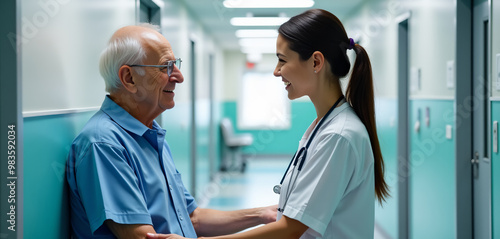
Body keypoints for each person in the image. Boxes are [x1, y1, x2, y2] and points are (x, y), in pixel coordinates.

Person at [147, 8, 390, 239]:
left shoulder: (338, 135)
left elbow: (289, 230)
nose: (276, 71)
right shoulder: (324, 126)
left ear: (316, 62)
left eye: (282, 60)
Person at [66, 23, 277, 239]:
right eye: (166, 67)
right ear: (129, 78)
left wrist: (262, 214)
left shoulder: (151, 135)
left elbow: (192, 218)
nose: (179, 77)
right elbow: (141, 237)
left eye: (175, 65)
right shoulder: (104, 144)